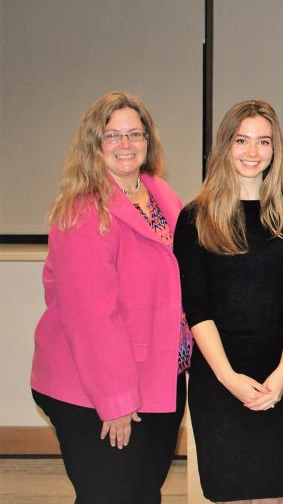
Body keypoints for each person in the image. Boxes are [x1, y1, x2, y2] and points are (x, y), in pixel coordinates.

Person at [30, 91, 188, 503]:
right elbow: (92, 319)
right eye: (112, 136)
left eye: (134, 134)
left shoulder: (162, 196)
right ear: (93, 145)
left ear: (148, 141)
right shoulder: (84, 211)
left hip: (156, 378)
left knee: (143, 492)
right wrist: (114, 402)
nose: (125, 145)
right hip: (94, 389)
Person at [174, 100, 283, 503]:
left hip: (279, 378)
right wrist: (229, 378)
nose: (253, 152)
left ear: (275, 149)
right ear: (225, 146)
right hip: (218, 379)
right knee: (231, 493)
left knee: (273, 495)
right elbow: (197, 307)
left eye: (263, 142)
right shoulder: (195, 218)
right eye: (242, 140)